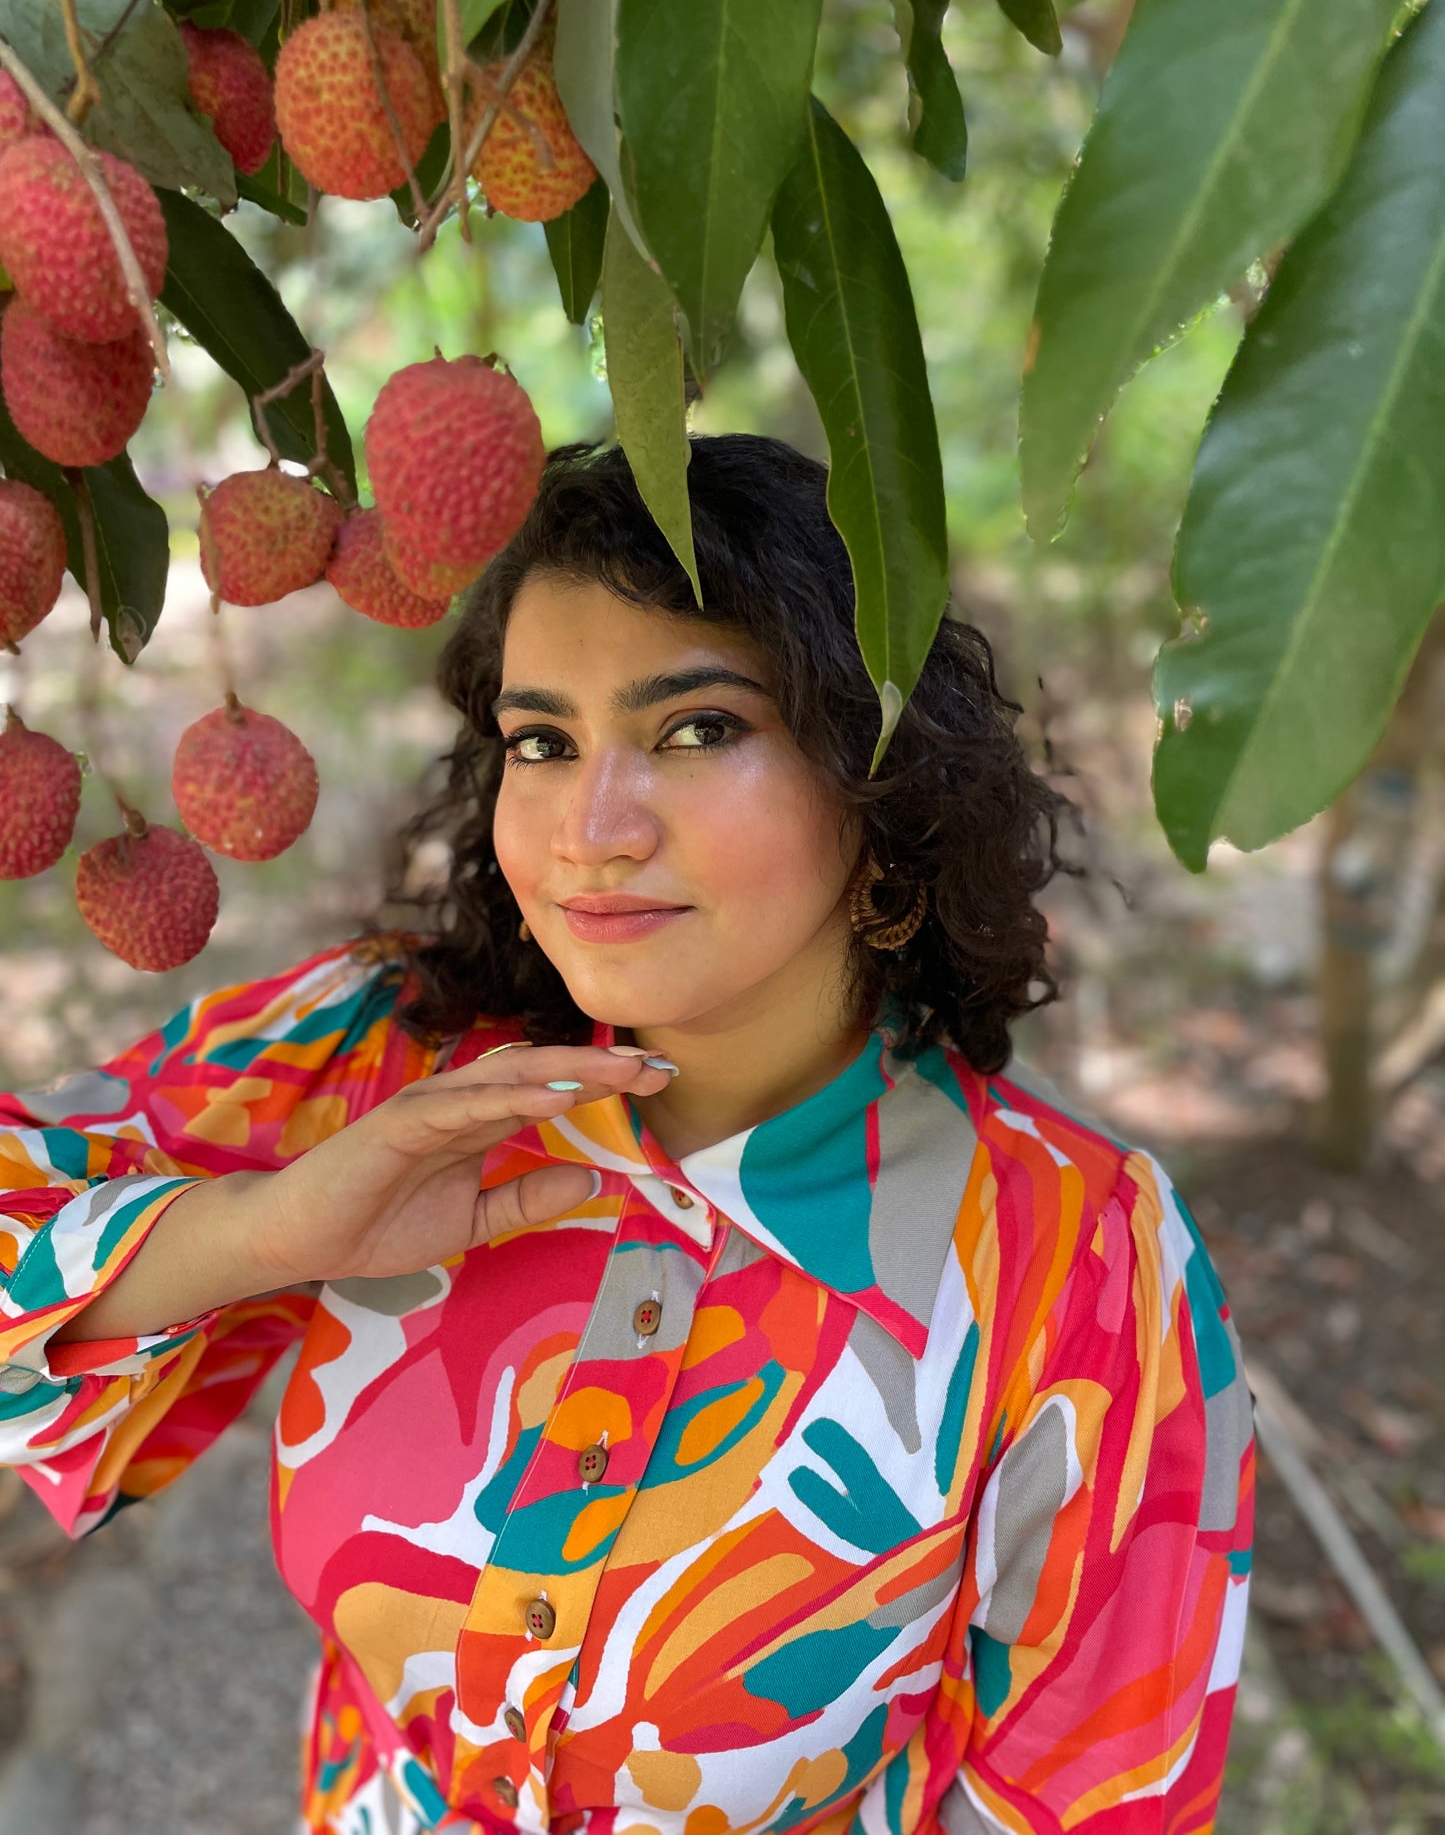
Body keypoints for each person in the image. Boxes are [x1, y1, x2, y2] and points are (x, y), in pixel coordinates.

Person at [0, 433, 1254, 1833]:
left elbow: (1092, 1791)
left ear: (876, 769)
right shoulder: (378, 1060)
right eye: (543, 742)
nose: (591, 828)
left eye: (696, 728)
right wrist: (265, 1230)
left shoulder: (1081, 1257)